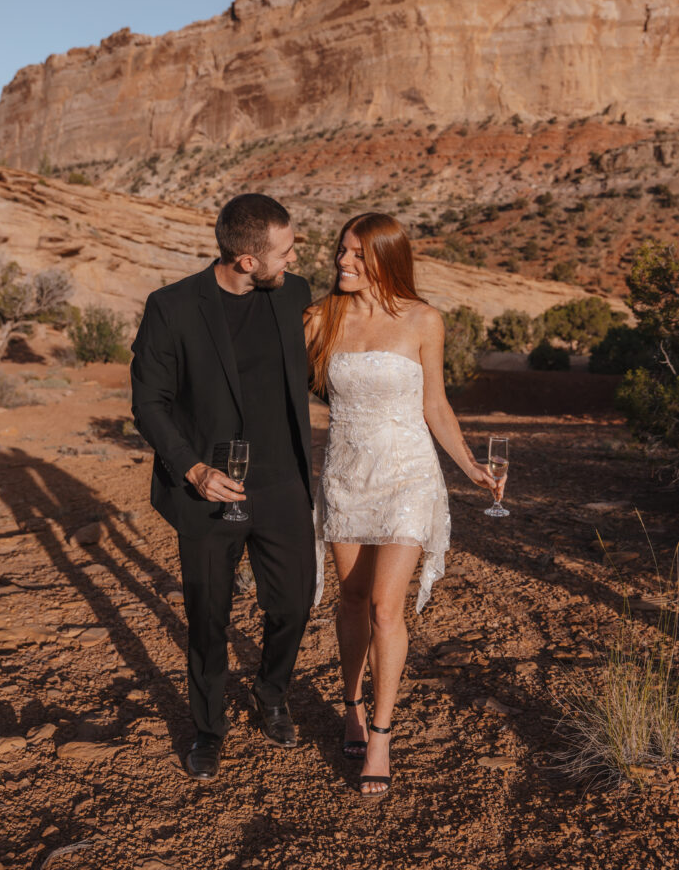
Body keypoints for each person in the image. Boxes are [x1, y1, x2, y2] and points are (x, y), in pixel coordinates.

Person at [304, 212, 500, 799]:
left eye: (358, 256)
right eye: (342, 251)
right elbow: (283, 390)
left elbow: (434, 405)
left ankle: (383, 736)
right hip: (345, 474)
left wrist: (471, 467)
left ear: (387, 261)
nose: (343, 263)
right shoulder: (319, 318)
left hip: (408, 475)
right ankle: (352, 705)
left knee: (388, 607)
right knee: (353, 600)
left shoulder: (423, 319)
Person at [131, 193, 315, 781]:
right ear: (244, 259)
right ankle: (209, 729)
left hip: (284, 481)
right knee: (208, 616)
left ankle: (271, 691)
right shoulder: (172, 307)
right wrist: (192, 469)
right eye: (284, 251)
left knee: (293, 602)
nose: (294, 258)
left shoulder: (296, 294)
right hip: (210, 486)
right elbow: (148, 402)